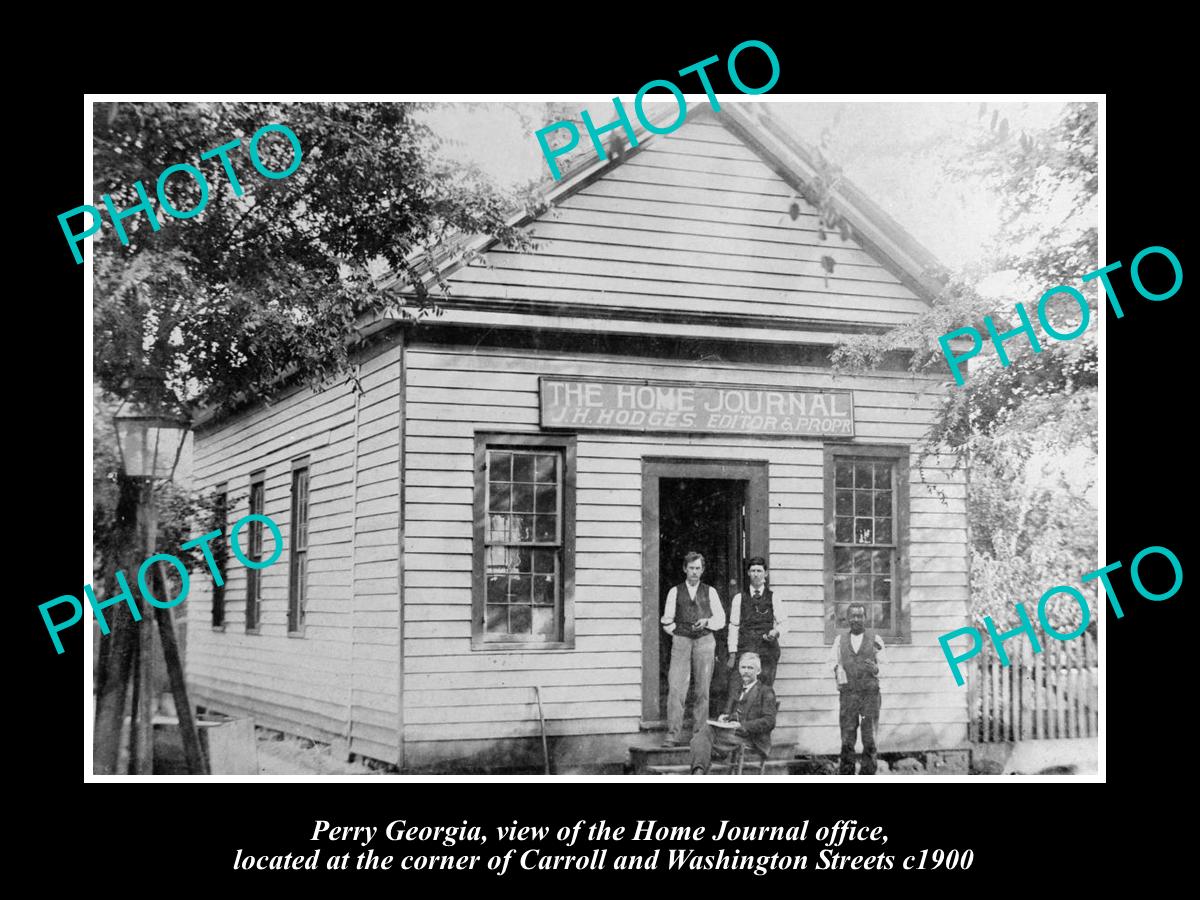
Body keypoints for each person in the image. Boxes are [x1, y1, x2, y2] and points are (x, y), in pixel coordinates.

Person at [661, 552, 726, 747]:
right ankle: (673, 734)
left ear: (702, 570)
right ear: (685, 569)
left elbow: (720, 619)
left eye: (698, 568)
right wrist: (679, 633)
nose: (694, 572)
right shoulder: (675, 591)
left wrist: (707, 622)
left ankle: (699, 735)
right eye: (691, 568)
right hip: (681, 641)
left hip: (705, 640)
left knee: (702, 689)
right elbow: (666, 621)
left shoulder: (710, 591)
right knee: (676, 688)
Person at [689, 652, 777, 775]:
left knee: (703, 739)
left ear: (758, 671)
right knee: (704, 732)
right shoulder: (738, 689)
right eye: (743, 667)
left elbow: (769, 721)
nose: (746, 671)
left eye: (750, 668)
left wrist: (744, 726)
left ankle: (699, 770)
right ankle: (699, 771)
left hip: (752, 737)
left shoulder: (765, 691)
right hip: (734, 734)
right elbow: (738, 714)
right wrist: (727, 718)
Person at [830, 603, 887, 775]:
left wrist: (876, 669)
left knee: (869, 738)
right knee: (847, 739)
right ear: (847, 619)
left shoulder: (875, 639)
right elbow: (832, 662)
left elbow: (886, 666)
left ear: (865, 618)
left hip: (869, 695)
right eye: (852, 616)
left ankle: (868, 774)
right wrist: (838, 673)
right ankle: (847, 774)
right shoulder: (840, 641)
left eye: (859, 616)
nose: (856, 619)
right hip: (849, 696)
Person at [727, 556, 787, 686]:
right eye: (753, 571)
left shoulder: (773, 597)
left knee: (765, 687)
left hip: (767, 649)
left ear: (765, 573)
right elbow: (733, 626)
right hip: (746, 648)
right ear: (748, 573)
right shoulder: (739, 598)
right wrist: (732, 653)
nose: (755, 574)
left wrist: (776, 632)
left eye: (759, 571)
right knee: (742, 687)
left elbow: (784, 623)